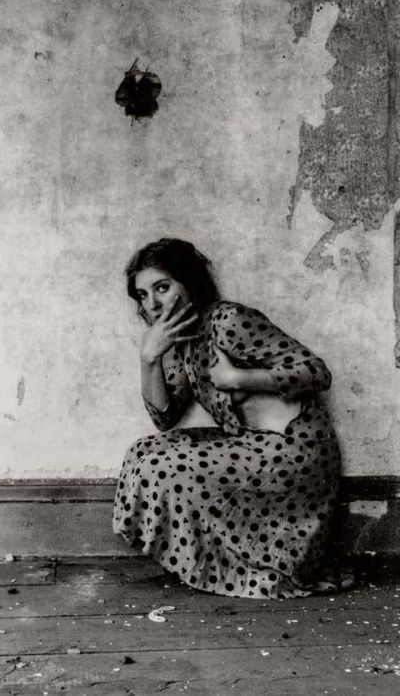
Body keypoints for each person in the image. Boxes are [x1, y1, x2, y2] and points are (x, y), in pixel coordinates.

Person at [113, 238, 341, 598]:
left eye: (162, 287)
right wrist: (150, 358)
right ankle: (228, 566)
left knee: (161, 466)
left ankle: (261, 568)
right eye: (142, 295)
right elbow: (165, 417)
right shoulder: (184, 341)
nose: (153, 304)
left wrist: (238, 378)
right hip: (251, 445)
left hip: (293, 450)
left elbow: (315, 372)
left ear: (189, 283)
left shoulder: (227, 320)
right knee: (143, 451)